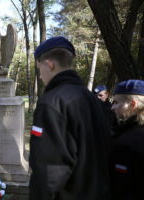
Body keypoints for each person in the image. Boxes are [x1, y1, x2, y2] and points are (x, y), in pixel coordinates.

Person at [29, 36, 111, 200]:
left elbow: (49, 171)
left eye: (39, 69)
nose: (40, 76)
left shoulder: (52, 102)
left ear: (49, 64)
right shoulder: (90, 98)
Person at [110, 80, 144, 200]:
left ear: (132, 104)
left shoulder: (128, 143)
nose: (112, 107)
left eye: (116, 102)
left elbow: (121, 188)